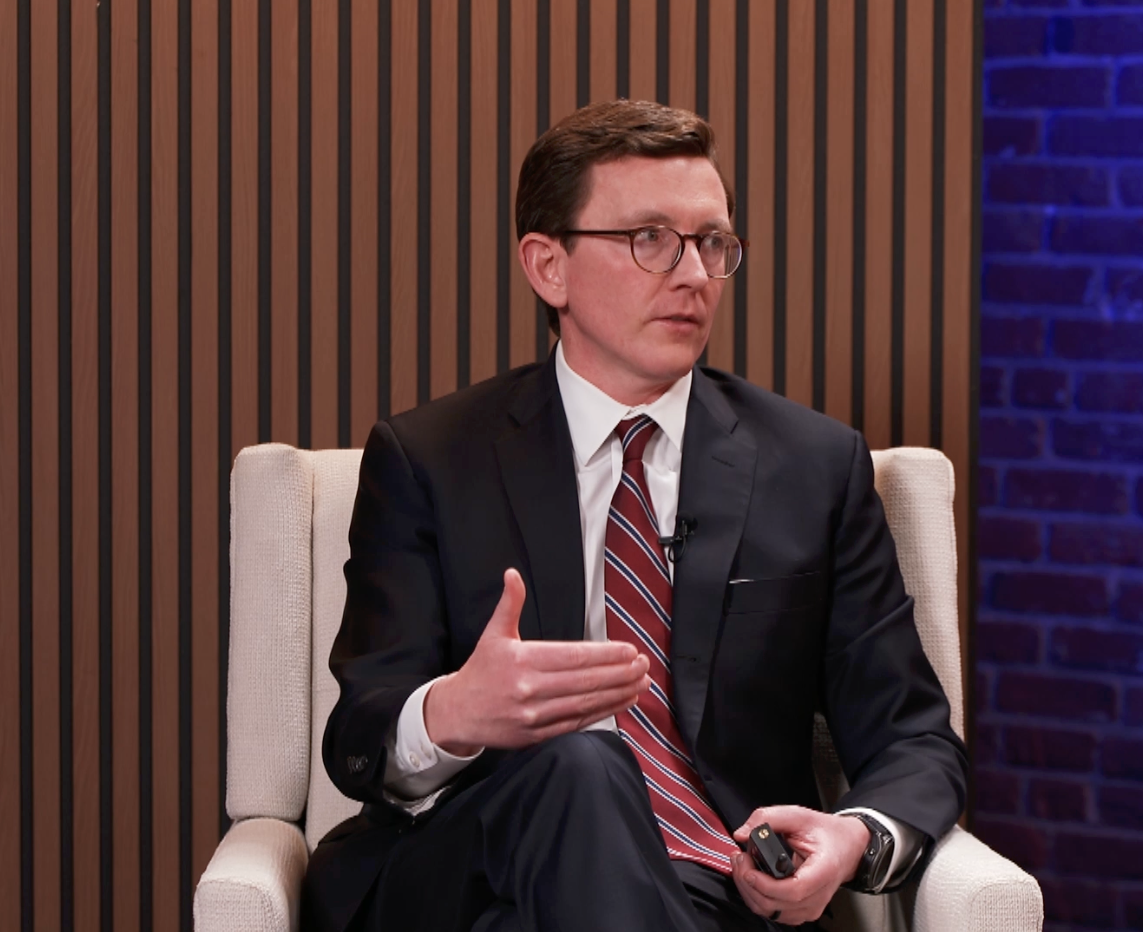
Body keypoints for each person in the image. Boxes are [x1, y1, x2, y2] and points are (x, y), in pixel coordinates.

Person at [302, 98, 966, 932]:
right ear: (548, 267)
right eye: (650, 238)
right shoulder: (430, 459)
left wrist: (854, 837)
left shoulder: (813, 467)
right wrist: (452, 715)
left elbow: (911, 738)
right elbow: (360, 737)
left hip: (708, 887)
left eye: (712, 243)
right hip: (472, 870)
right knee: (581, 764)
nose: (693, 274)